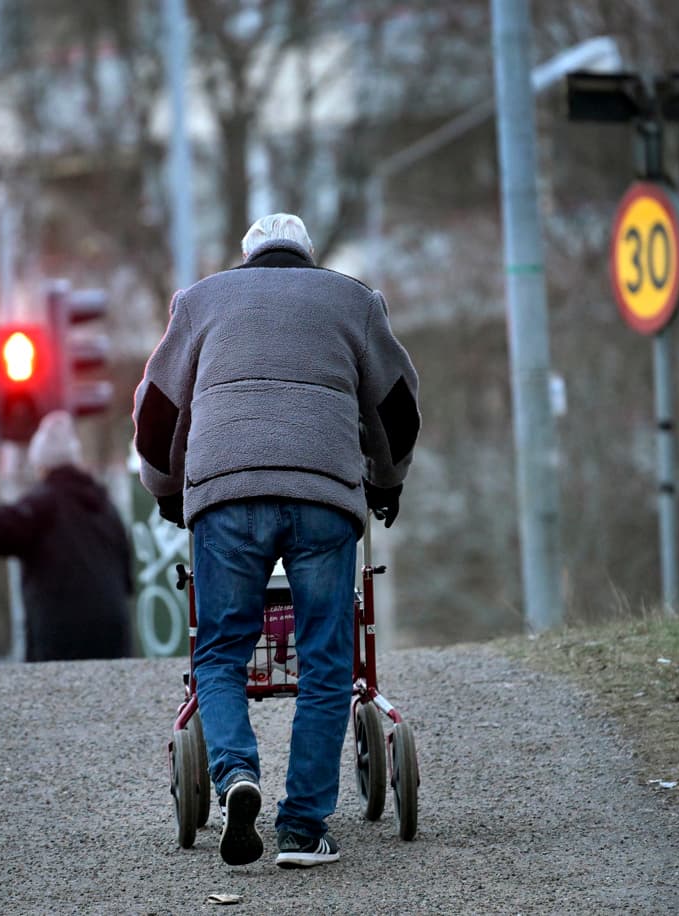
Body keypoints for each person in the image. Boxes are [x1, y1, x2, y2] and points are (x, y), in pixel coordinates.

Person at [133, 213, 420, 868]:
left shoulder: (199, 303)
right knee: (327, 657)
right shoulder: (353, 301)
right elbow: (396, 406)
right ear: (306, 256)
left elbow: (156, 413)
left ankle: (236, 775)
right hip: (323, 497)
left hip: (226, 495)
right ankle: (303, 829)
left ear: (247, 257)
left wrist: (167, 489)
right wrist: (386, 479)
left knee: (222, 649)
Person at [0, 410, 134, 662]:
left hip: (62, 638)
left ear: (42, 466)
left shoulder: (44, 504)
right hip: (114, 636)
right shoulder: (105, 507)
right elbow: (127, 576)